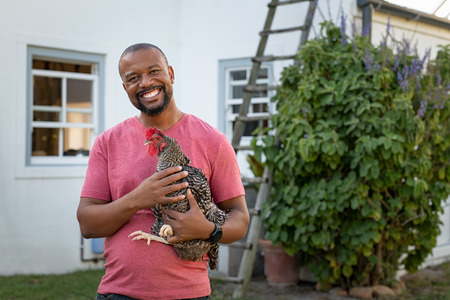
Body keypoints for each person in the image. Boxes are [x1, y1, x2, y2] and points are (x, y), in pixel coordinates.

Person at [77, 43, 250, 300]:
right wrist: (138, 198)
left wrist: (207, 229)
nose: (145, 83)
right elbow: (88, 224)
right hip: (119, 292)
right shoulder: (107, 142)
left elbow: (240, 219)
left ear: (170, 73)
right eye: (133, 78)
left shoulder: (213, 141)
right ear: (126, 88)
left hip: (188, 293)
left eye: (154, 71)